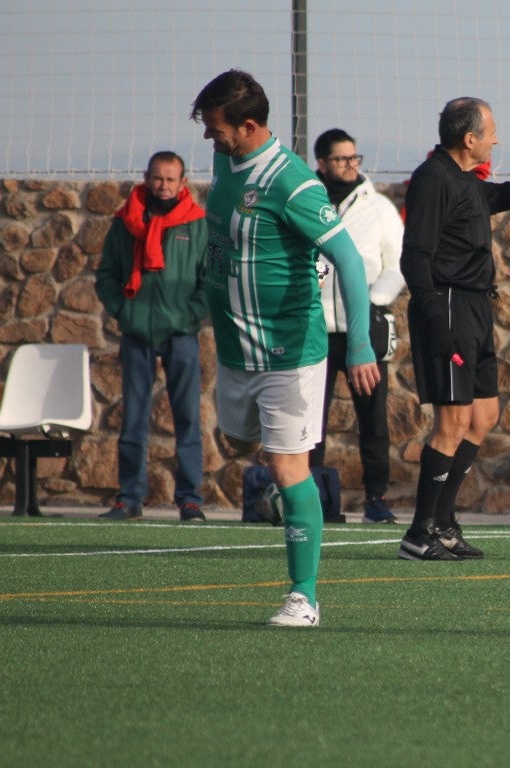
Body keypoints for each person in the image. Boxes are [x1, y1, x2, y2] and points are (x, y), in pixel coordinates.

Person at [190, 69, 380, 626]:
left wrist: (363, 346)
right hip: (234, 350)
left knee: (290, 467)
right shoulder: (227, 162)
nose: (209, 138)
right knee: (241, 443)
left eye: (217, 128)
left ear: (249, 126)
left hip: (289, 352)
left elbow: (347, 260)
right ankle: (287, 498)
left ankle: (304, 596)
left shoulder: (293, 183)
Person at [398, 96, 510, 561]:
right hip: (447, 309)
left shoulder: (466, 181)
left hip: (474, 309)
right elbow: (416, 256)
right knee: (451, 422)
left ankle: (444, 524)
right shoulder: (433, 179)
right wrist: (436, 322)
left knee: (484, 415)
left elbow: (508, 195)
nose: (497, 138)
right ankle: (418, 535)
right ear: (469, 139)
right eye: (491, 131)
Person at [94, 151, 208, 523]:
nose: (163, 185)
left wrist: (192, 314)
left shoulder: (198, 223)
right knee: (134, 419)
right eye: (157, 178)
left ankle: (189, 500)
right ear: (147, 178)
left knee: (188, 418)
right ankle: (130, 498)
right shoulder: (126, 222)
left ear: (182, 182)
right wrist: (125, 311)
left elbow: (211, 278)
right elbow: (107, 275)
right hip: (137, 333)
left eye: (170, 179)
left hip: (182, 335)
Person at [310, 128, 405, 524]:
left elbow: (397, 263)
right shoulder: (306, 202)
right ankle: (311, 497)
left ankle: (375, 500)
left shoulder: (378, 207)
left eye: (355, 158)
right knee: (311, 420)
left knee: (373, 419)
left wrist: (371, 303)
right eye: (341, 159)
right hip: (314, 330)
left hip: (362, 331)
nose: (350, 165)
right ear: (321, 163)